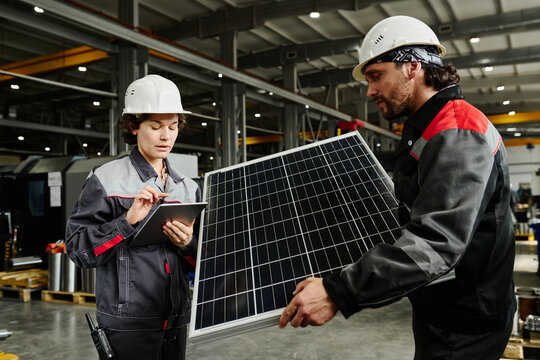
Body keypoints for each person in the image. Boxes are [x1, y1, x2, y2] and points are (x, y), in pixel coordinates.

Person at [278, 15, 516, 360]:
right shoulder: (430, 126)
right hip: (444, 307)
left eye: (376, 76)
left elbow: (436, 244)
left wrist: (338, 290)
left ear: (412, 67)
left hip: (465, 323)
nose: (370, 90)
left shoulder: (457, 132)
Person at [66, 74, 201, 360]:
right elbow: (79, 250)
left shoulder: (188, 188)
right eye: (155, 126)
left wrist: (188, 243)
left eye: (173, 126)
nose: (166, 136)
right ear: (133, 126)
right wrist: (126, 221)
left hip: (176, 322)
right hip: (128, 327)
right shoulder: (105, 180)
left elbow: (201, 261)